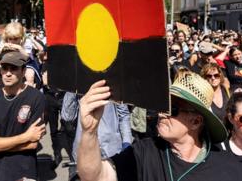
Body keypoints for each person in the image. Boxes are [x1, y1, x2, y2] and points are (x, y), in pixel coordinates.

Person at [77, 71, 228, 181]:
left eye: (172, 110)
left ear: (195, 122)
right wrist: (89, 132)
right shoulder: (143, 151)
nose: (162, 113)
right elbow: (96, 177)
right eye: (163, 106)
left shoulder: (223, 165)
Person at [0, 51, 46, 181]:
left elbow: (32, 144)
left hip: (23, 171)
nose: (8, 73)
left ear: (23, 71)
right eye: (4, 68)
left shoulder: (36, 97)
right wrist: (25, 137)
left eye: (13, 68)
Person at [61, 92, 132, 181]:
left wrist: (126, 143)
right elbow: (67, 116)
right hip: (83, 155)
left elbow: (124, 115)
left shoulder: (113, 84)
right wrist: (73, 86)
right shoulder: (78, 87)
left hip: (111, 153)